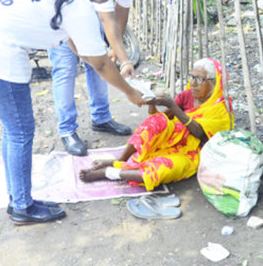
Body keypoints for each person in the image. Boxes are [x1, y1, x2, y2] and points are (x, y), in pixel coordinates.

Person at [0, 0, 144, 225]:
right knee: (21, 130)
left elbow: (77, 45)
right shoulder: (78, 5)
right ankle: (22, 206)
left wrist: (88, 57)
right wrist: (130, 92)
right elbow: (100, 63)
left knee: (14, 129)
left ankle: (17, 199)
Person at [50, 0, 162, 156]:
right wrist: (125, 59)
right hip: (62, 12)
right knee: (66, 69)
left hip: (88, 11)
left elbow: (121, 12)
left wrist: (116, 52)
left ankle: (101, 118)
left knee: (101, 62)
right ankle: (67, 130)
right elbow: (107, 20)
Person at [79, 58, 232, 190]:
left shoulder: (220, 108)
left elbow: (199, 133)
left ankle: (110, 173)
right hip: (170, 141)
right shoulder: (187, 96)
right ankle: (120, 160)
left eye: (199, 79)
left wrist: (173, 106)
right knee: (155, 122)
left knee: (165, 168)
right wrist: (152, 103)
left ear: (213, 82)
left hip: (191, 153)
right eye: (192, 77)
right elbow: (161, 120)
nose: (193, 83)